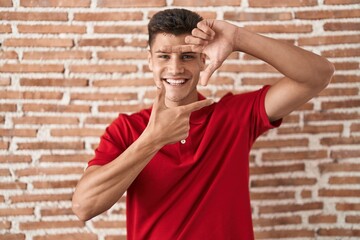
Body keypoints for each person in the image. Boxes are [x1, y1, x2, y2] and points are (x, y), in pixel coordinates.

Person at [72, 8, 334, 239]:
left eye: (187, 56)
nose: (175, 69)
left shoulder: (234, 116)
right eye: (164, 56)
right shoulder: (126, 129)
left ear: (203, 59)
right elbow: (84, 207)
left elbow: (318, 75)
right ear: (150, 60)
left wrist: (238, 38)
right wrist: (153, 139)